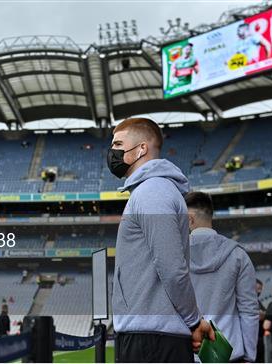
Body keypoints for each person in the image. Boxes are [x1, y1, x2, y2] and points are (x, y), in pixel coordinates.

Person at [108, 117, 214, 363]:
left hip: (151, 340)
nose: (112, 152)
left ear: (141, 148)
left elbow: (171, 267)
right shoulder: (151, 190)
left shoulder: (152, 191)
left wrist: (193, 321)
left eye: (117, 144)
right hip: (151, 334)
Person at [185, 191, 258, 362]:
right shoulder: (238, 255)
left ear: (189, 219)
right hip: (229, 354)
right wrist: (249, 357)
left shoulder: (175, 256)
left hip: (190, 354)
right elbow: (249, 311)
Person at [257, 279, 267, 363]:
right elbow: (259, 316)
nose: (260, 291)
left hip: (259, 338)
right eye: (258, 288)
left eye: (261, 289)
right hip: (253, 339)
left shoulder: (258, 301)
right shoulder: (248, 300)